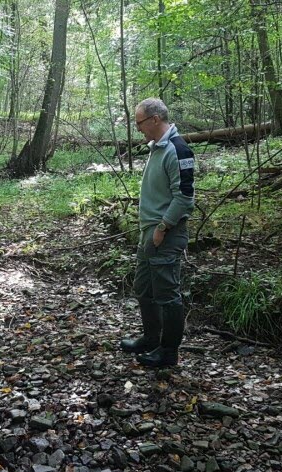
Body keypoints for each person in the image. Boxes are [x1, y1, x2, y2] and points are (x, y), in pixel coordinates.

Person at [119, 98, 195, 367]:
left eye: (139, 122)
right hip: (148, 232)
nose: (137, 128)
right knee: (144, 289)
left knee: (166, 294)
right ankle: (151, 339)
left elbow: (185, 197)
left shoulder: (178, 149)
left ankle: (168, 351)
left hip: (165, 233)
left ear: (154, 120)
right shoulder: (156, 148)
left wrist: (163, 227)